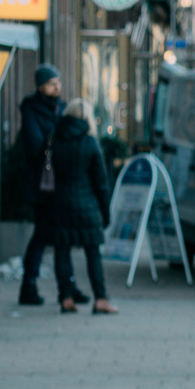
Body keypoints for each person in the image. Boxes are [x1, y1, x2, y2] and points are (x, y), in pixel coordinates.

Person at [16, 65, 84, 307]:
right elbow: (34, 145)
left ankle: (68, 287)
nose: (58, 87)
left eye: (59, 82)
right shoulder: (31, 109)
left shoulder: (61, 108)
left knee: (59, 235)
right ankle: (29, 285)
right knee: (43, 235)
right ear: (41, 86)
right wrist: (58, 136)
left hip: (60, 182)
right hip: (42, 185)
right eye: (52, 83)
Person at [47, 100, 118, 314]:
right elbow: (101, 183)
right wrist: (106, 213)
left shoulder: (54, 140)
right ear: (87, 118)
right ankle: (100, 299)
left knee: (62, 250)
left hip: (60, 204)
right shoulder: (90, 143)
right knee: (93, 253)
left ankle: (66, 298)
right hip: (88, 205)